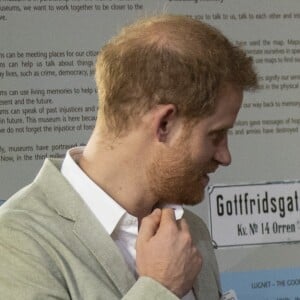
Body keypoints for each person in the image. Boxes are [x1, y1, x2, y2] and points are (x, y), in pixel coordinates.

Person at [0, 14, 257, 299]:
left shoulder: (191, 232)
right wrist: (161, 288)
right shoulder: (15, 242)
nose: (225, 156)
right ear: (164, 124)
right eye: (215, 135)